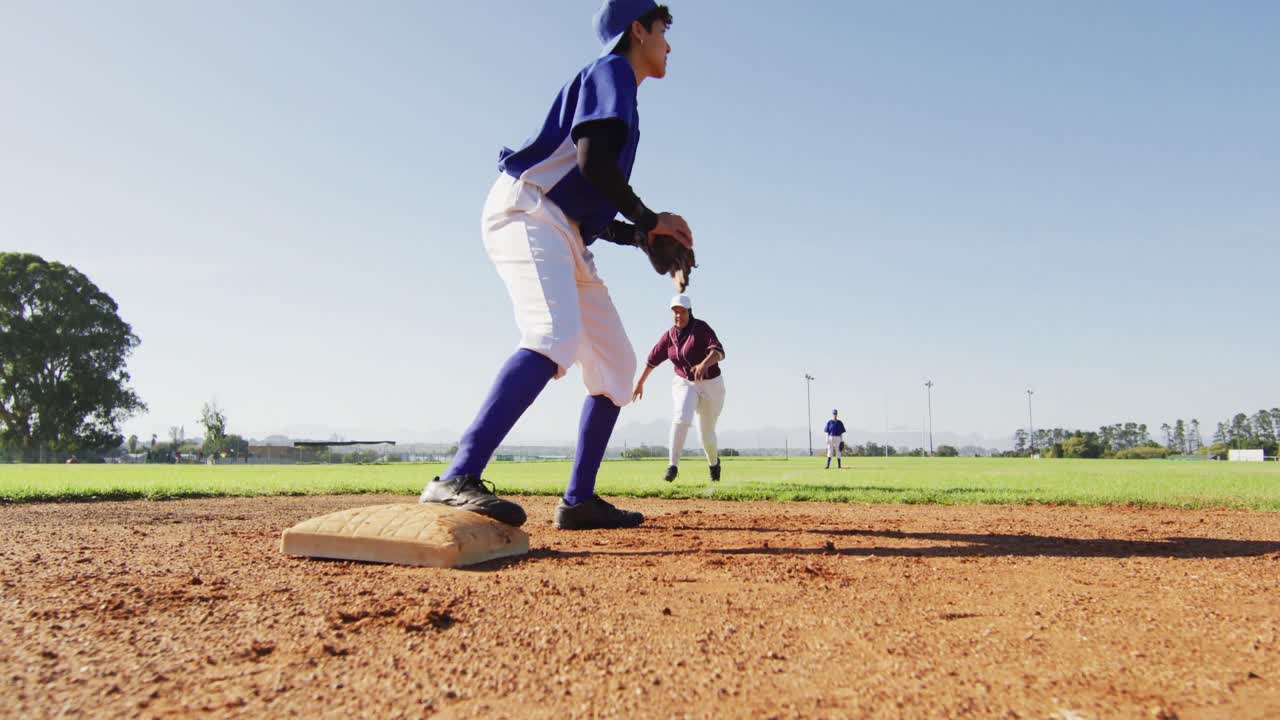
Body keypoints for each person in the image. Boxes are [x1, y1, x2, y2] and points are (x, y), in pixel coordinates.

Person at [419, 0, 692, 530]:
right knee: (553, 334)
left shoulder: (622, 96)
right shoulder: (611, 71)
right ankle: (456, 476)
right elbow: (592, 165)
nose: (668, 42)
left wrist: (638, 234)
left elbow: (590, 196)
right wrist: (649, 218)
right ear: (636, 30)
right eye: (661, 28)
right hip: (526, 208)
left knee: (615, 365)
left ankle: (578, 501)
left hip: (561, 224)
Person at [632, 294, 726, 482]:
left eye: (682, 311)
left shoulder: (701, 328)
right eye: (675, 312)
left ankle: (714, 464)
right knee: (681, 416)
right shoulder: (669, 336)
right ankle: (672, 466)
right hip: (685, 382)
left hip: (711, 385)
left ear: (689, 312)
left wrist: (704, 364)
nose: (678, 315)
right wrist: (640, 382)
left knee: (706, 436)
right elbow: (652, 360)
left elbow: (719, 352)